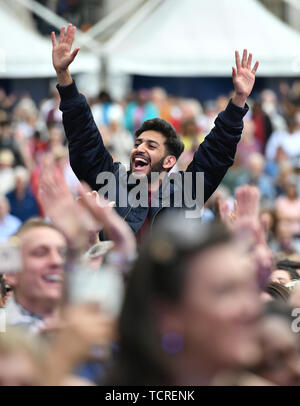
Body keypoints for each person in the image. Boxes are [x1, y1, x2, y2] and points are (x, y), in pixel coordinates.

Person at [51, 24, 259, 237]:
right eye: (137, 143)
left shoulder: (186, 191)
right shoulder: (112, 182)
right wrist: (63, 75)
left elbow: (216, 152)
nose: (139, 148)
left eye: (151, 145)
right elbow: (84, 139)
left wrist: (239, 100)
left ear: (169, 161)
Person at [4, 219, 67, 333]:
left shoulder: (89, 327)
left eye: (62, 253)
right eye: (40, 253)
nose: (57, 261)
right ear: (11, 272)